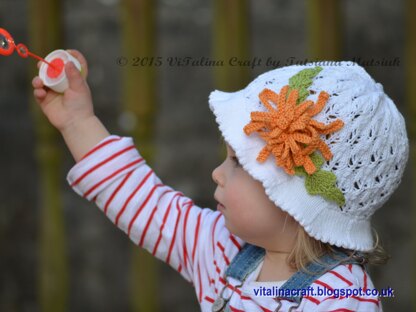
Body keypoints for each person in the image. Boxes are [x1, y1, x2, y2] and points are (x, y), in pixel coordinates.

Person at [32, 50, 408, 311]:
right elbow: (139, 197)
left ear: (295, 202)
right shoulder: (223, 249)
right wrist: (77, 122)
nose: (217, 172)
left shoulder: (339, 296)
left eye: (240, 163)